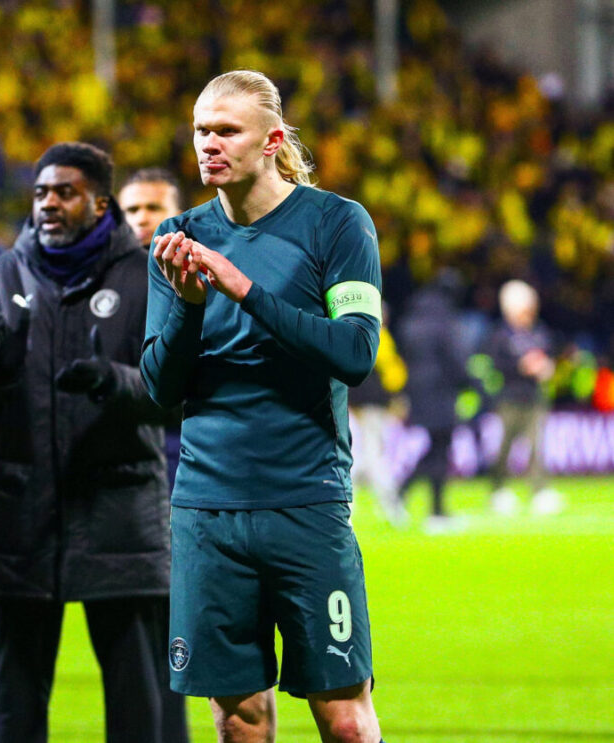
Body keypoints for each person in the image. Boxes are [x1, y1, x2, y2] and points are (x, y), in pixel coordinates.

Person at [141, 70, 386, 742]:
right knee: (240, 720)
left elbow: (355, 352)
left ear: (273, 140)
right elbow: (160, 387)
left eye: (226, 130)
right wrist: (191, 308)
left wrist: (244, 289)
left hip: (306, 502)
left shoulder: (337, 223)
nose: (208, 144)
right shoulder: (178, 236)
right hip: (207, 509)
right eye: (201, 130)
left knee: (345, 719)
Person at [0, 142, 178, 743]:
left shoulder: (147, 280)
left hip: (120, 518)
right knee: (15, 706)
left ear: (99, 204)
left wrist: (115, 381)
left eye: (65, 192)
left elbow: (179, 395)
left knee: (137, 704)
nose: (48, 203)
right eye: (41, 192)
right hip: (20, 520)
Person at [117, 167, 190, 743]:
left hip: (187, 462)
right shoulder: (106, 283)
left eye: (154, 208)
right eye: (132, 209)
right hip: (128, 466)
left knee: (179, 614)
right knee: (138, 616)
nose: (142, 219)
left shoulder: (198, 275)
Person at [397, 276, 470, 533]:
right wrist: (470, 383)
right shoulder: (444, 321)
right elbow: (454, 357)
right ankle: (435, 511)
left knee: (435, 447)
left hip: (417, 392)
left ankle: (405, 492)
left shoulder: (412, 319)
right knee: (441, 448)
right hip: (441, 391)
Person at [487, 279, 562, 516]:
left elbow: (549, 354)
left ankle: (539, 491)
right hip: (509, 398)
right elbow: (495, 364)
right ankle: (498, 490)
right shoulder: (501, 334)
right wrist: (520, 366)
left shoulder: (539, 331)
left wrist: (546, 366)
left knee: (536, 446)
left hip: (534, 397)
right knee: (505, 447)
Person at [348, 304, 409, 526]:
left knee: (357, 455)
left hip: (354, 404)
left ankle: (348, 507)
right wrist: (397, 397)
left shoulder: (354, 335)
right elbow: (394, 376)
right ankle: (391, 508)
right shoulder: (380, 336)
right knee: (374, 456)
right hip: (373, 406)